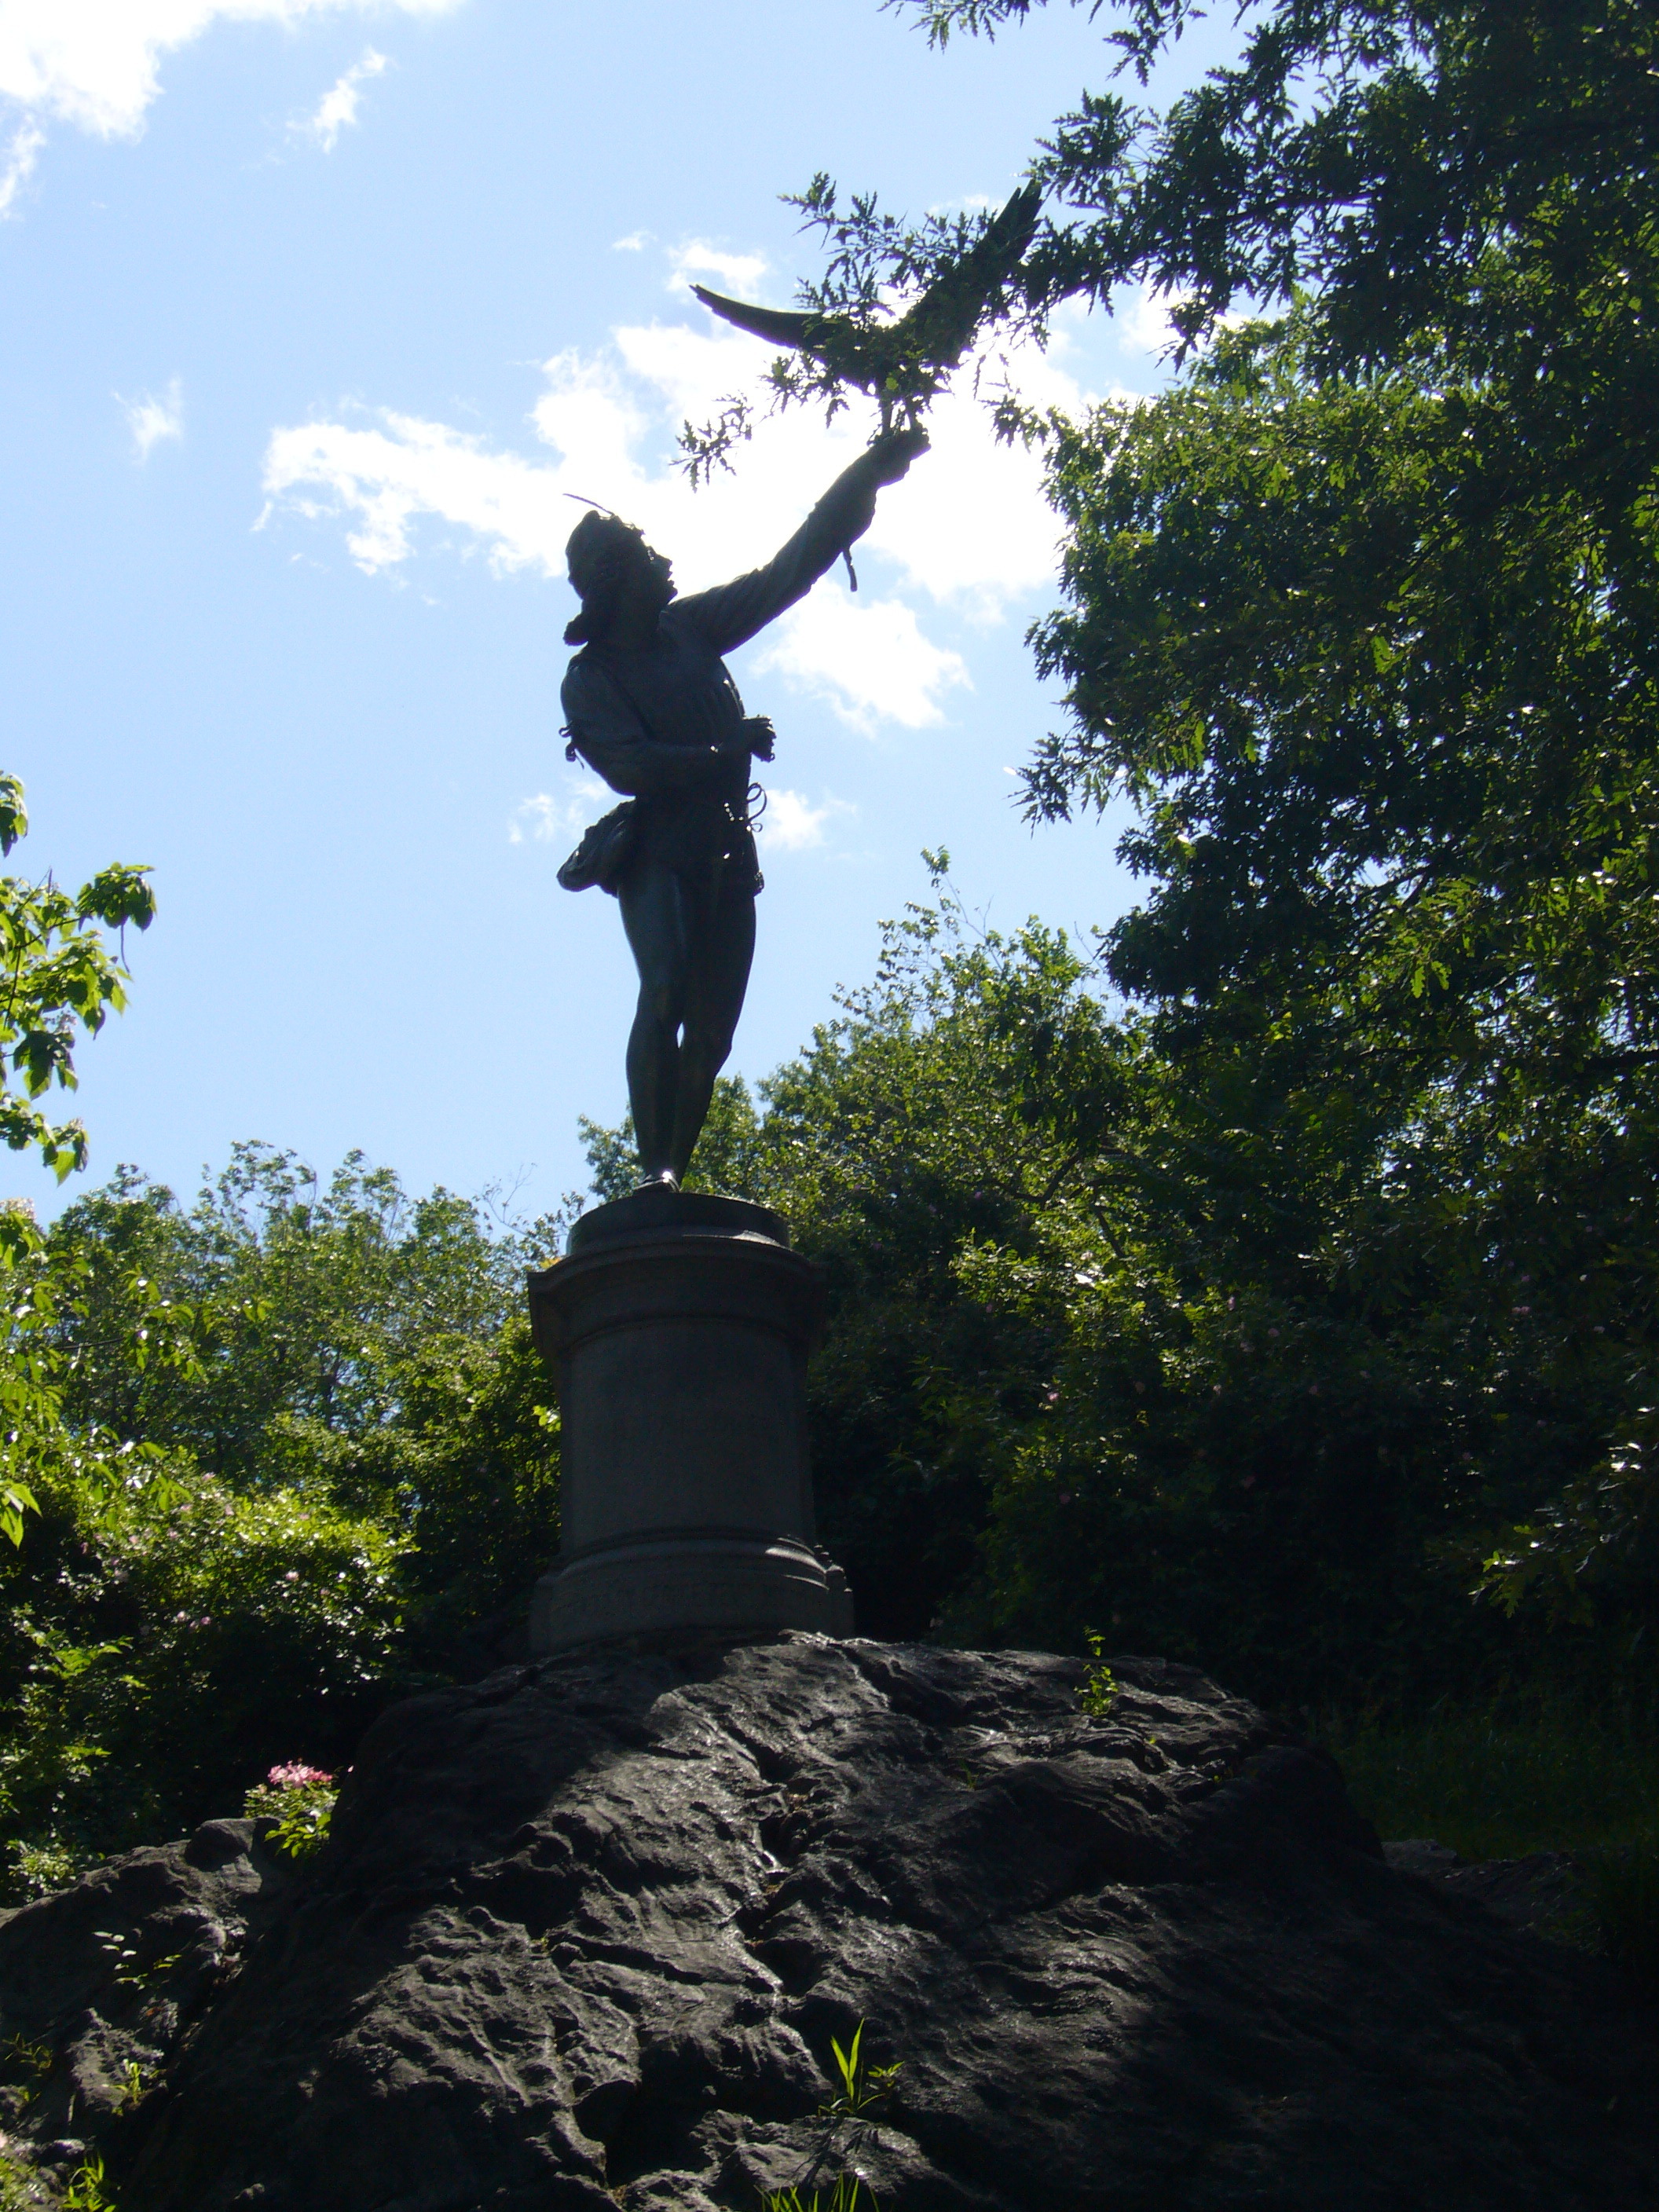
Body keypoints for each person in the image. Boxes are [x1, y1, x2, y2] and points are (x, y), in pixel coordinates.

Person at [560, 426, 928, 1188]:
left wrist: (867, 474)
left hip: (728, 855)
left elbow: (785, 573)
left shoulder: (690, 628)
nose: (663, 562)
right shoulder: (592, 676)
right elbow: (628, 765)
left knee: (715, 1037)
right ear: (616, 578)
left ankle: (674, 1172)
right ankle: (655, 1171)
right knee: (664, 988)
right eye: (645, 557)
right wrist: (723, 750)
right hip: (659, 849)